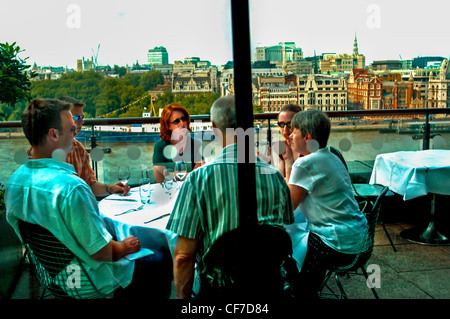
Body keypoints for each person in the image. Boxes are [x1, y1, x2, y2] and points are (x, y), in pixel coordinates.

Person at [6, 98, 172, 298]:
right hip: (90, 282)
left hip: (54, 274)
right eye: (71, 129)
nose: (76, 132)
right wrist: (125, 246)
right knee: (163, 257)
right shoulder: (71, 188)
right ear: (54, 134)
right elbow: (101, 251)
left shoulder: (15, 182)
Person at [166, 95, 294, 299]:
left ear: (214, 127)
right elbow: (280, 232)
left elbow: (183, 257)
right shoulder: (276, 178)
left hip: (220, 290)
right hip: (269, 287)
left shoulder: (198, 180)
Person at [287, 109, 367, 298]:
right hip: (361, 241)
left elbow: (286, 208)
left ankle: (301, 292)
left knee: (282, 243)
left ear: (307, 137)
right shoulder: (332, 156)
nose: (289, 135)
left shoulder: (305, 164)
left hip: (339, 245)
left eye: (294, 131)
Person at [27, 96, 129, 197]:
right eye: (76, 117)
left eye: (82, 117)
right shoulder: (40, 152)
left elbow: (90, 184)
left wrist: (110, 188)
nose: (82, 121)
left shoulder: (79, 149)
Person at [152, 103, 204, 183]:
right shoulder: (160, 146)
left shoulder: (196, 144)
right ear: (168, 126)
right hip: (168, 192)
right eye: (176, 121)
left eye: (183, 119)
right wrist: (191, 174)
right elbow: (160, 179)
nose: (182, 123)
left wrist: (171, 174)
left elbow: (201, 175)